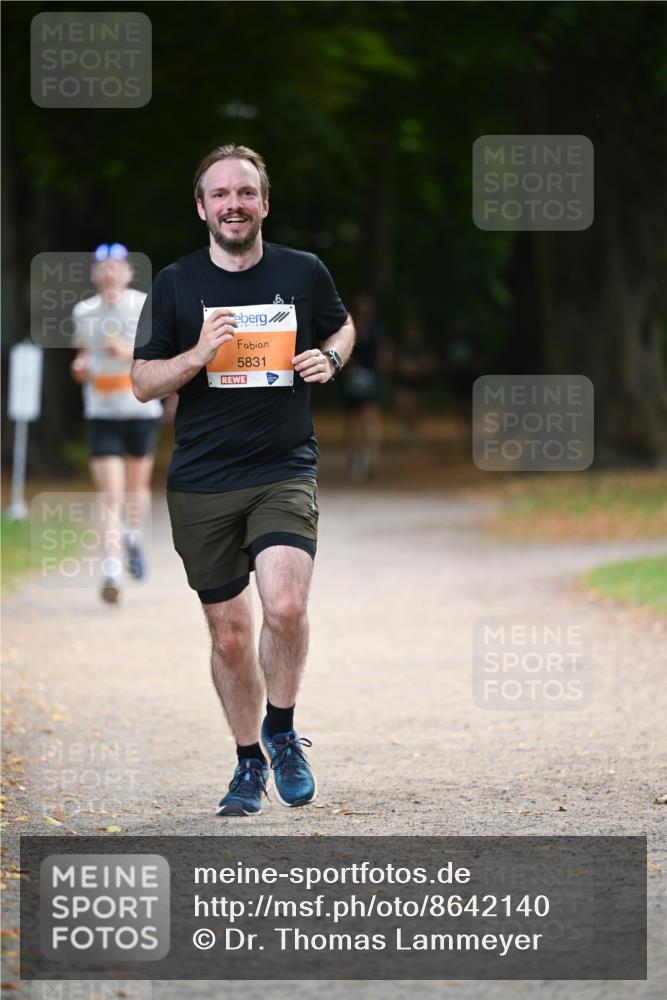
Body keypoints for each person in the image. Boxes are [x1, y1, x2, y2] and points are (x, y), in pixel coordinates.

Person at [131, 144, 355, 817]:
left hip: (282, 468)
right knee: (229, 633)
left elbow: (341, 326)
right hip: (202, 480)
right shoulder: (174, 284)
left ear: (264, 202)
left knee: (284, 606)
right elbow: (142, 382)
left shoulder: (302, 271)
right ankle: (246, 760)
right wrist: (197, 354)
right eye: (220, 194)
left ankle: (282, 732)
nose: (234, 204)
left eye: (245, 192)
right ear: (202, 207)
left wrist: (330, 358)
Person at [70, 249, 163, 604]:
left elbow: (157, 353)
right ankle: (111, 569)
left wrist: (128, 352)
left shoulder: (143, 306)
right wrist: (80, 365)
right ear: (96, 274)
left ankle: (134, 535)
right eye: (103, 269)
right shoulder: (84, 311)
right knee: (111, 494)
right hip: (101, 412)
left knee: (135, 490)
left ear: (127, 273)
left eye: (115, 269)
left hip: (140, 411)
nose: (109, 275)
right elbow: (81, 353)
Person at [341, 294, 385, 481]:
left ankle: (372, 456)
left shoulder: (377, 331)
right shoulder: (350, 330)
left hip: (370, 379)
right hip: (352, 380)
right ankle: (355, 456)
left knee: (370, 418)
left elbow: (383, 355)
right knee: (353, 421)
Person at [393, 317, 438, 445]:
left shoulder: (424, 347)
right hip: (404, 383)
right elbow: (396, 363)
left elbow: (430, 363)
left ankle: (413, 433)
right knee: (405, 408)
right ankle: (407, 433)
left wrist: (417, 367)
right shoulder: (403, 346)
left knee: (416, 410)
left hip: (419, 384)